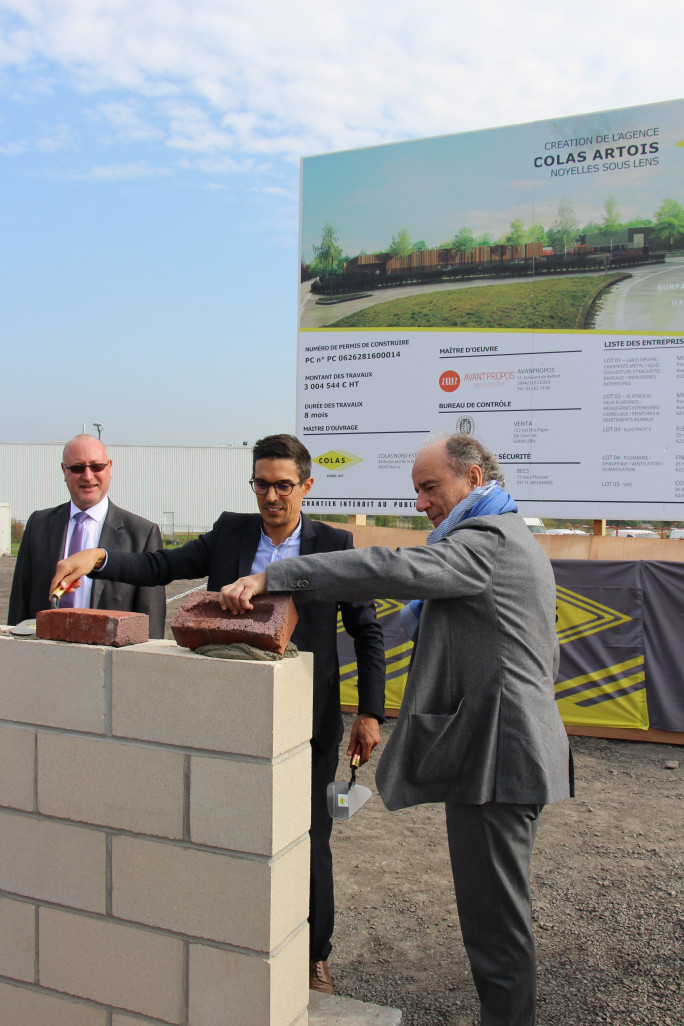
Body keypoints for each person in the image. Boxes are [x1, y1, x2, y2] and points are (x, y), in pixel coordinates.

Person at [219, 434, 574, 1026]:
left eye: (430, 487)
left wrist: (281, 575)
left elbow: (395, 566)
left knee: (497, 931)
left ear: (474, 477)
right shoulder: (505, 538)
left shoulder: (486, 541)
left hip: (499, 760)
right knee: (495, 920)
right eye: (415, 489)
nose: (421, 502)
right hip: (507, 751)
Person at [49, 433, 386, 995]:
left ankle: (314, 956)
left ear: (307, 485)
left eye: (283, 485)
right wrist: (99, 556)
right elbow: (163, 564)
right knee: (229, 830)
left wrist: (369, 713)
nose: (271, 496)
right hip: (227, 715)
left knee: (309, 837)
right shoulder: (232, 531)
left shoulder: (334, 542)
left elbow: (366, 632)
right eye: (261, 483)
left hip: (307, 719)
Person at [8, 434, 166, 638]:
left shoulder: (142, 535)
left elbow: (150, 625)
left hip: (109, 664)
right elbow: (18, 609)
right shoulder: (37, 525)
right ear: (64, 471)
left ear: (109, 468)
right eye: (77, 468)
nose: (87, 476)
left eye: (96, 466)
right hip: (44, 659)